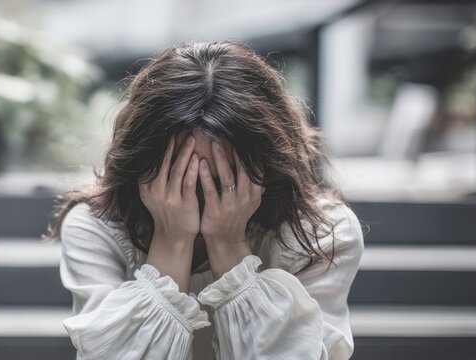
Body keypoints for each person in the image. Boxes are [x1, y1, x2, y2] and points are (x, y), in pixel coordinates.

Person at [47, 41, 364, 360]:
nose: (198, 195)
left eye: (223, 179)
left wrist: (229, 247)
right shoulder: (95, 229)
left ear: (266, 166)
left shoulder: (324, 233)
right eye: (178, 174)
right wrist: (171, 244)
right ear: (142, 165)